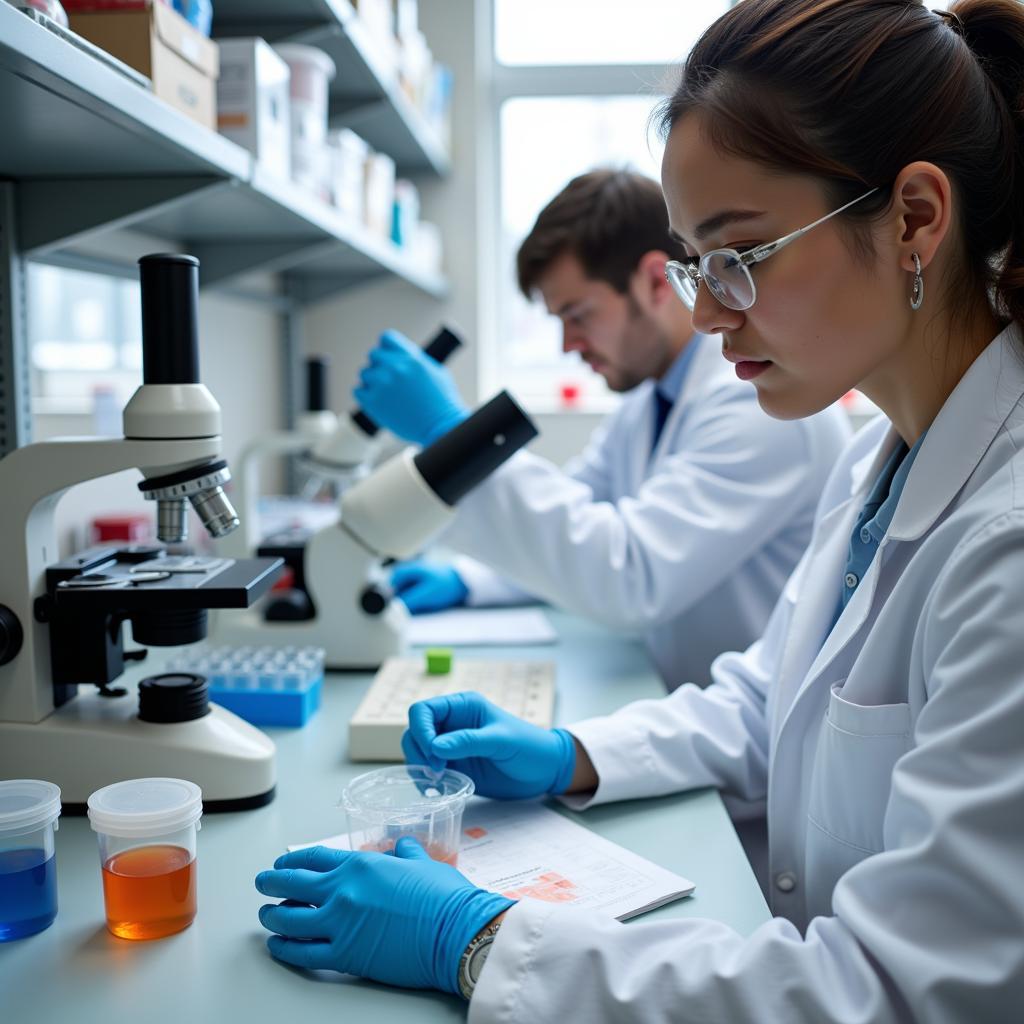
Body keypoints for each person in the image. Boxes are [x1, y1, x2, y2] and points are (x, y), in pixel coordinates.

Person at [254, 0, 1024, 1019]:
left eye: (738, 255)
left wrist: (480, 939)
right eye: (700, 266)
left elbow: (894, 990)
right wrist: (574, 754)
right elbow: (775, 698)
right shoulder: (877, 459)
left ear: (917, 218)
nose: (705, 312)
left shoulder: (1004, 546)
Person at [350, 169, 849, 689]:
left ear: (656, 282)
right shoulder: (650, 400)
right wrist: (467, 582)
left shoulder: (755, 402)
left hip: (750, 737)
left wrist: (452, 433)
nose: (569, 345)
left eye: (579, 315)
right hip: (692, 705)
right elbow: (578, 520)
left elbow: (631, 578)